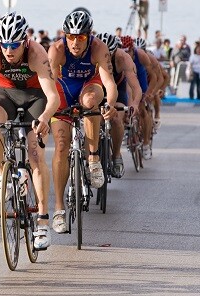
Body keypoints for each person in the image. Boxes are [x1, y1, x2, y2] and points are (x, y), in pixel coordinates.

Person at [0, 12, 60, 250]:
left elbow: (53, 97)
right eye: (4, 44)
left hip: (35, 97)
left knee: (35, 153)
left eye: (14, 45)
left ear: (24, 41)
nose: (9, 49)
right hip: (6, 94)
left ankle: (42, 221)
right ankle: (2, 173)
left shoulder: (37, 54)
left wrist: (45, 119)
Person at [48, 11, 117, 233]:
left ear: (89, 36)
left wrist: (111, 104)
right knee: (60, 146)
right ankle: (59, 209)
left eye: (81, 37)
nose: (75, 43)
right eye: (71, 37)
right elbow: (46, 84)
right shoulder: (57, 50)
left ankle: (94, 158)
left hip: (89, 84)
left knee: (90, 102)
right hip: (64, 88)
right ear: (64, 35)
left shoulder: (99, 48)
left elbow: (109, 82)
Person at [96, 32, 142, 178]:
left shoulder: (124, 58)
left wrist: (134, 103)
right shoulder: (92, 55)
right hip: (97, 88)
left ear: (115, 50)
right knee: (95, 119)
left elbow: (136, 87)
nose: (106, 58)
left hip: (118, 88)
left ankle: (116, 155)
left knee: (116, 119)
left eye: (109, 55)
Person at [120, 35, 157, 160]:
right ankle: (127, 128)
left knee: (141, 110)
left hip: (140, 79)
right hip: (126, 78)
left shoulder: (141, 55)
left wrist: (149, 93)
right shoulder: (119, 56)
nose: (126, 55)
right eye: (123, 52)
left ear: (132, 49)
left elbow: (154, 76)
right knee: (123, 105)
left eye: (128, 52)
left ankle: (146, 143)